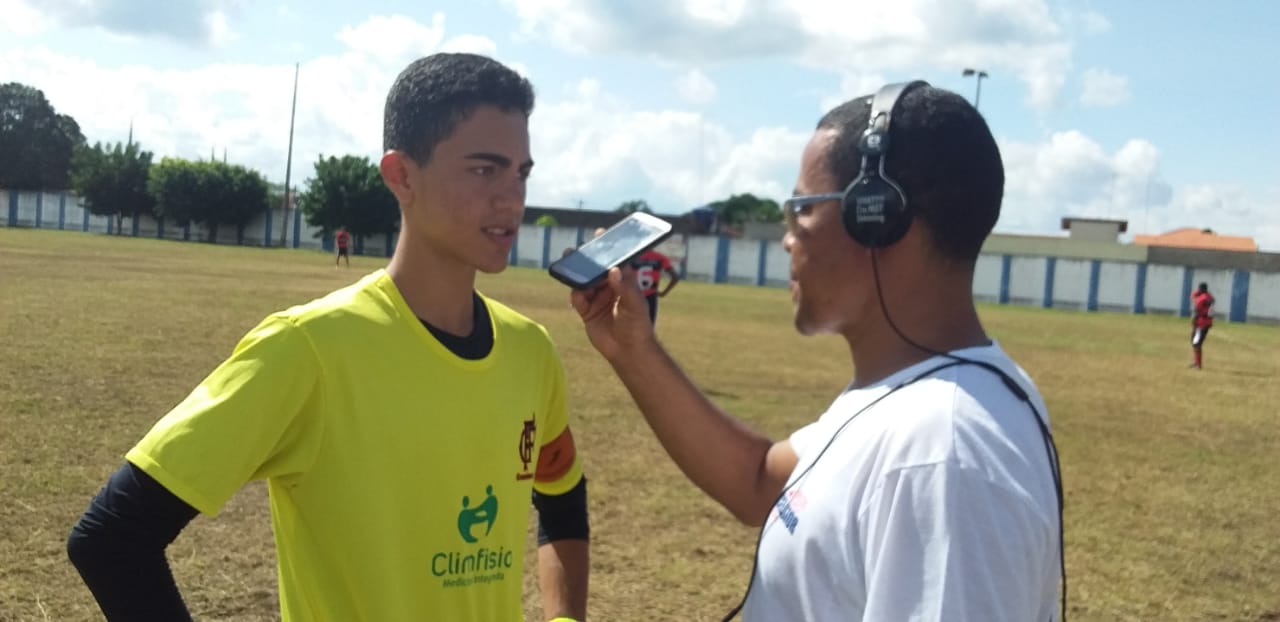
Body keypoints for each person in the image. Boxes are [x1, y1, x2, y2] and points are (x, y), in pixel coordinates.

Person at [67, 53, 591, 622]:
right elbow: (113, 538)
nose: (512, 199)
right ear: (402, 175)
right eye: (485, 170)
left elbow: (562, 495)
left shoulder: (529, 350)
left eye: (521, 173)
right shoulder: (309, 349)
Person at [569, 82, 1062, 620]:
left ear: (877, 216)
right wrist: (633, 350)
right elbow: (758, 480)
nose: (787, 238)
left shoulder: (941, 454)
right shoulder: (915, 401)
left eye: (801, 209)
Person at [631, 247, 680, 325]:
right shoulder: (660, 258)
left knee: (631, 325)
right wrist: (663, 293)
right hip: (650, 296)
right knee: (649, 326)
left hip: (634, 295)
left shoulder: (633, 257)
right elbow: (675, 277)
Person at [1190, 282, 1215, 369]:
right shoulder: (1209, 297)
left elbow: (1197, 310)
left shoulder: (1202, 299)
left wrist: (1194, 321)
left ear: (1201, 289)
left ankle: (1198, 364)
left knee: (1196, 343)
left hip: (1201, 323)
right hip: (1207, 322)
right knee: (1195, 342)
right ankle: (1196, 362)